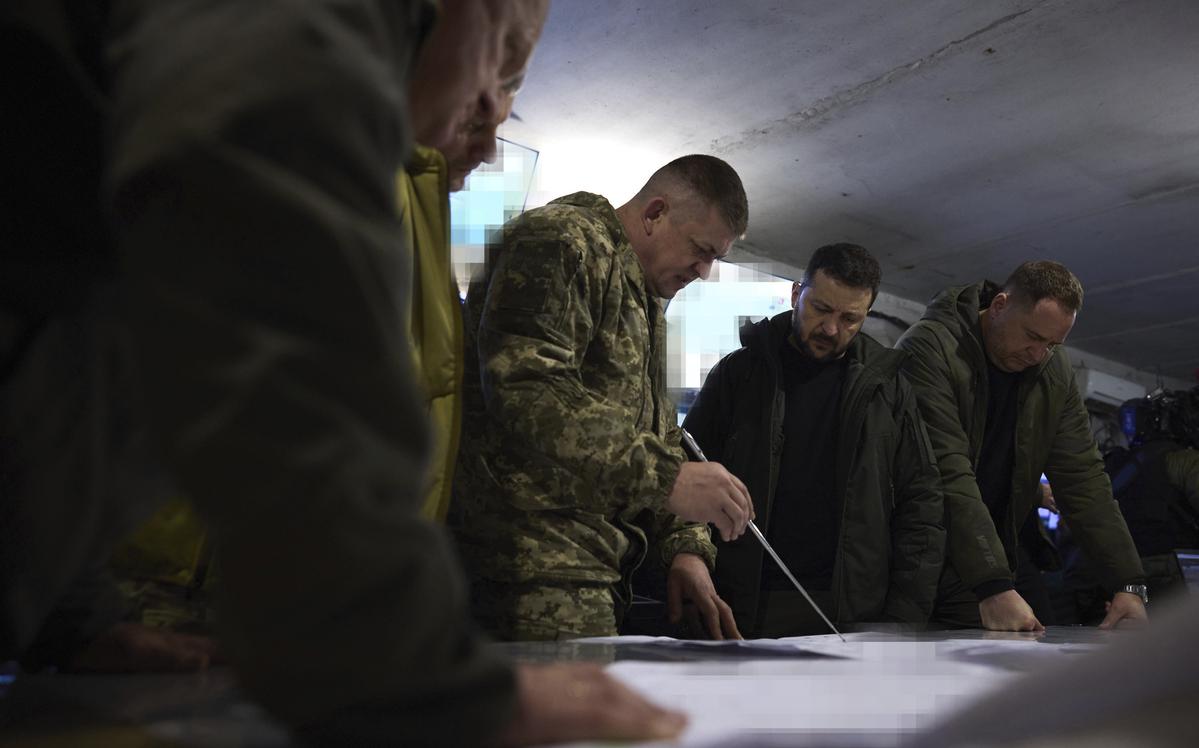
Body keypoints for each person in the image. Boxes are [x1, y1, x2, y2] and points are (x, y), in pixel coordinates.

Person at [2, 1, 689, 744]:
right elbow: (281, 322)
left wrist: (73, 618)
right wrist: (394, 671)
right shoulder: (306, 29)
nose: (491, 125)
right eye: (500, 70)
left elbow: (69, 319)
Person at [453, 154, 754, 641]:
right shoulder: (563, 240)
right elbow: (526, 389)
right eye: (701, 250)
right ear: (655, 213)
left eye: (714, 258)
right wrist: (667, 476)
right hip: (526, 566)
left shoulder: (644, 302)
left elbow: (653, 434)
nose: (703, 272)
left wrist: (685, 548)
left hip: (591, 572)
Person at [682, 243, 945, 637]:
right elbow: (685, 474)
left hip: (848, 610)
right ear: (795, 294)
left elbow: (922, 504)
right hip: (739, 600)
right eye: (820, 309)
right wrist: (689, 559)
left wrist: (902, 620)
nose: (831, 329)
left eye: (850, 318)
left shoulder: (888, 390)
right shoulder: (740, 374)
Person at [895, 260, 1147, 631]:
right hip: (911, 565)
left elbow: (1082, 477)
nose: (1038, 354)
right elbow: (945, 472)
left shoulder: (1050, 368)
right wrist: (994, 584)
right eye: (1032, 336)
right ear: (999, 306)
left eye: (1052, 344)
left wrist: (1127, 582)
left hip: (982, 568)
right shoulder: (929, 348)